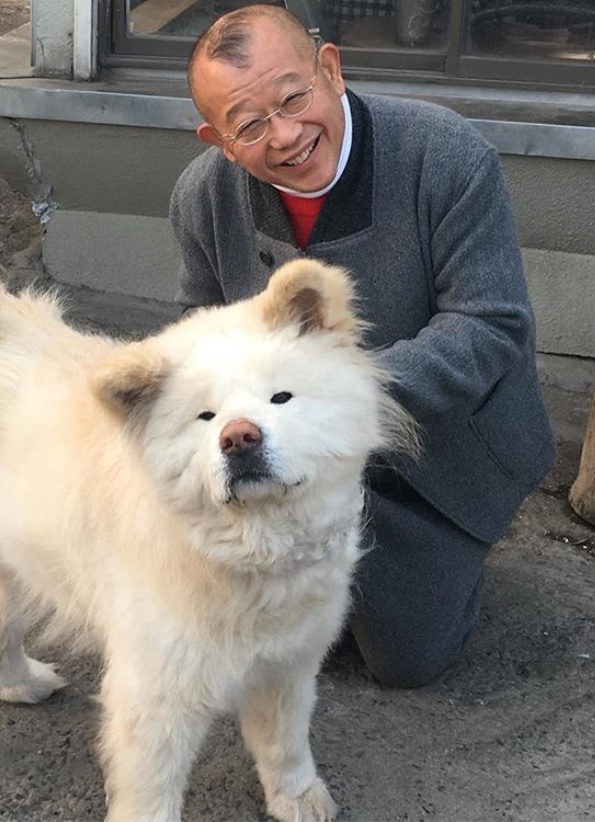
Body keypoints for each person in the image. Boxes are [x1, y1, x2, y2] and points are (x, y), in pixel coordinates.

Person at [169, 4, 556, 689]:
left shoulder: (446, 154)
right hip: (282, 448)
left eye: (294, 97)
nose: (285, 135)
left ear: (331, 68)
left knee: (403, 661)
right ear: (220, 139)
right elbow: (199, 334)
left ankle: (450, 558)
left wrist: (335, 400)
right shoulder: (201, 197)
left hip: (435, 451)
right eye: (251, 124)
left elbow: (491, 324)